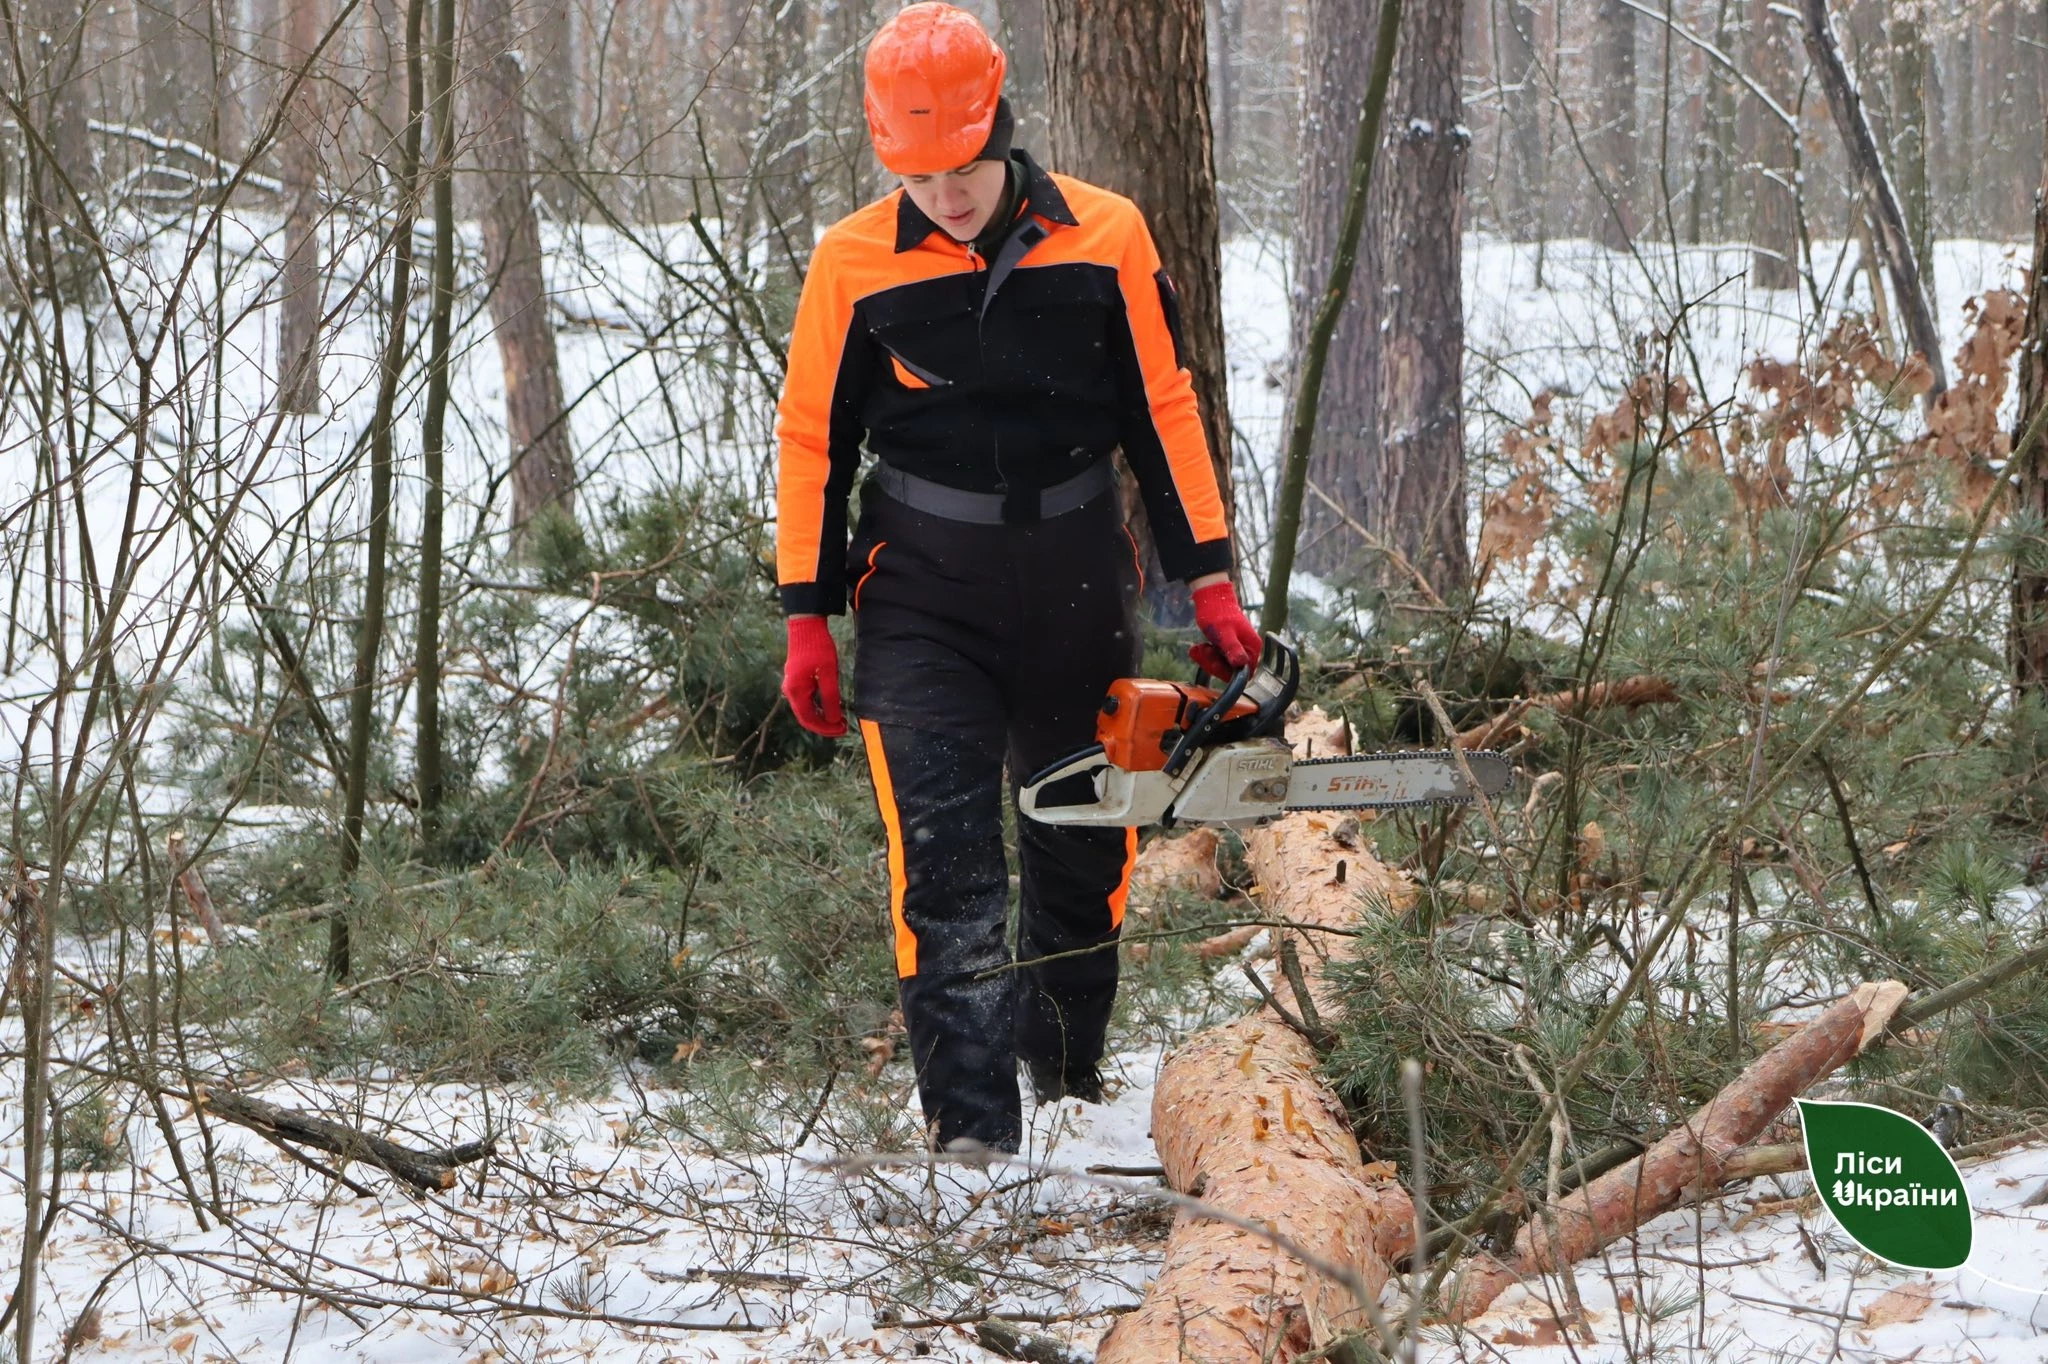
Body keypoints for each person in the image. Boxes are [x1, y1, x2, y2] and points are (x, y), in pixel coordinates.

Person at [774, 1, 1259, 1154]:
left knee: (1082, 845)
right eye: (920, 170)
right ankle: (972, 1138)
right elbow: (810, 439)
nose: (947, 192)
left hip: (1079, 576)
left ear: (1003, 129)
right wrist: (804, 613)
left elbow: (1163, 410)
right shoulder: (851, 261)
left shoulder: (1107, 235)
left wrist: (1210, 583)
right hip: (920, 590)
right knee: (942, 868)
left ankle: (1066, 1093)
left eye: (965, 165)